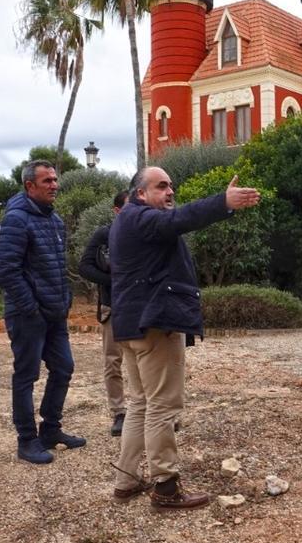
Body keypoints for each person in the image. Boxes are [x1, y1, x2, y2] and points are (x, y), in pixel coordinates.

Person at [108, 167, 260, 509]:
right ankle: (166, 488)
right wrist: (223, 202)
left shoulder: (126, 220)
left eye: (171, 186)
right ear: (140, 193)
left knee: (140, 404)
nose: (170, 191)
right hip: (154, 325)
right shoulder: (142, 218)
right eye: (161, 186)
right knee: (163, 406)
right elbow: (178, 221)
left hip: (132, 325)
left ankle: (126, 480)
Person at [0, 160, 85, 465]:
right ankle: (26, 439)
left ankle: (50, 429)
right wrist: (31, 308)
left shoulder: (54, 219)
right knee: (26, 375)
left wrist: (65, 298)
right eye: (47, 181)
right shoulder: (17, 220)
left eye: (55, 180)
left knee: (64, 368)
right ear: (29, 186)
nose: (54, 185)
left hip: (55, 313)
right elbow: (7, 271)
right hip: (27, 315)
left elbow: (58, 267)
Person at [78, 190, 130, 437]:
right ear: (117, 210)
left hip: (143, 307)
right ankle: (119, 412)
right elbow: (84, 267)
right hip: (113, 307)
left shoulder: (149, 231)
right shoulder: (104, 234)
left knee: (147, 362)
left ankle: (155, 413)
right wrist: (112, 280)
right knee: (113, 362)